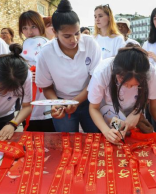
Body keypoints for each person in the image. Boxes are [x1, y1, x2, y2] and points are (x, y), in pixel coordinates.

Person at [36, 0, 101, 133]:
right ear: (54, 32)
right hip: (62, 103)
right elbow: (46, 86)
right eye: (67, 36)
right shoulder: (46, 52)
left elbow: (96, 80)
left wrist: (76, 101)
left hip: (90, 100)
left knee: (96, 140)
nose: (74, 40)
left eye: (77, 33)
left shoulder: (90, 44)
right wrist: (56, 104)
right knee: (67, 143)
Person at [88, 44, 156, 144]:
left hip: (132, 114)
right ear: (116, 73)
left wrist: (136, 113)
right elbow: (93, 108)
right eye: (124, 83)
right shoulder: (102, 71)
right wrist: (106, 132)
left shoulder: (150, 72)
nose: (129, 87)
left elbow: (148, 97)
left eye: (135, 85)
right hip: (107, 116)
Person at [19, 10, 55, 132]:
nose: (29, 32)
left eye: (33, 26)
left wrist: (43, 76)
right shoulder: (20, 52)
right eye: (24, 28)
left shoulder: (51, 47)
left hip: (49, 105)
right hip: (28, 105)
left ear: (40, 25)